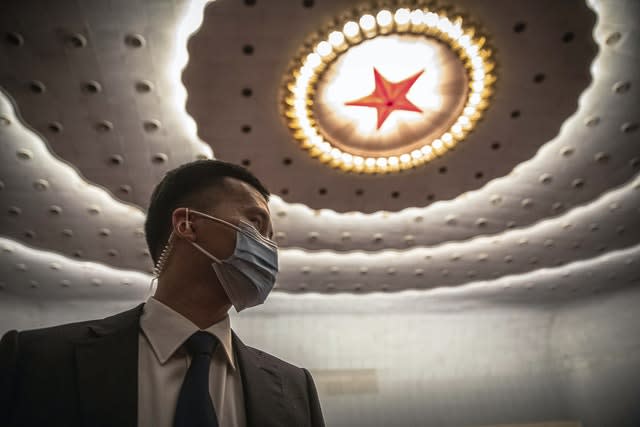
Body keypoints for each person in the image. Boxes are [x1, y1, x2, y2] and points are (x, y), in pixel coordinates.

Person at [0, 159, 325, 427]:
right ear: (187, 225)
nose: (270, 248)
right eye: (256, 224)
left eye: (271, 237)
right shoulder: (33, 360)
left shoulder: (295, 388)